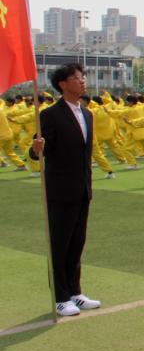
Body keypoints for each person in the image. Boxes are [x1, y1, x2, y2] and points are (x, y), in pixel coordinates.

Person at [28, 63, 101, 317]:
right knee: (59, 244)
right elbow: (37, 150)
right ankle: (60, 297)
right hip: (60, 190)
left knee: (77, 243)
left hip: (82, 188)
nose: (82, 81)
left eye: (83, 77)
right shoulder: (50, 115)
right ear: (63, 84)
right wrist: (36, 149)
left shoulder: (87, 114)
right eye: (77, 78)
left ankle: (74, 291)